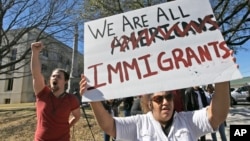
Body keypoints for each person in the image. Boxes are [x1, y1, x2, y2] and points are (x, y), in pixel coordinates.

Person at [79, 74, 233, 141]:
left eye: (168, 97)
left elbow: (217, 115)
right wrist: (93, 99)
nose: (165, 102)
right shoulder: (139, 124)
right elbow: (109, 126)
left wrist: (222, 79)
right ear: (149, 103)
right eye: (159, 99)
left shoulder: (188, 120)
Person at [31, 41, 81, 141]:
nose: (55, 78)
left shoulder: (71, 99)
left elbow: (77, 116)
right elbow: (36, 74)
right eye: (53, 76)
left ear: (65, 81)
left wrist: (67, 127)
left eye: (58, 76)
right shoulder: (42, 93)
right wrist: (35, 53)